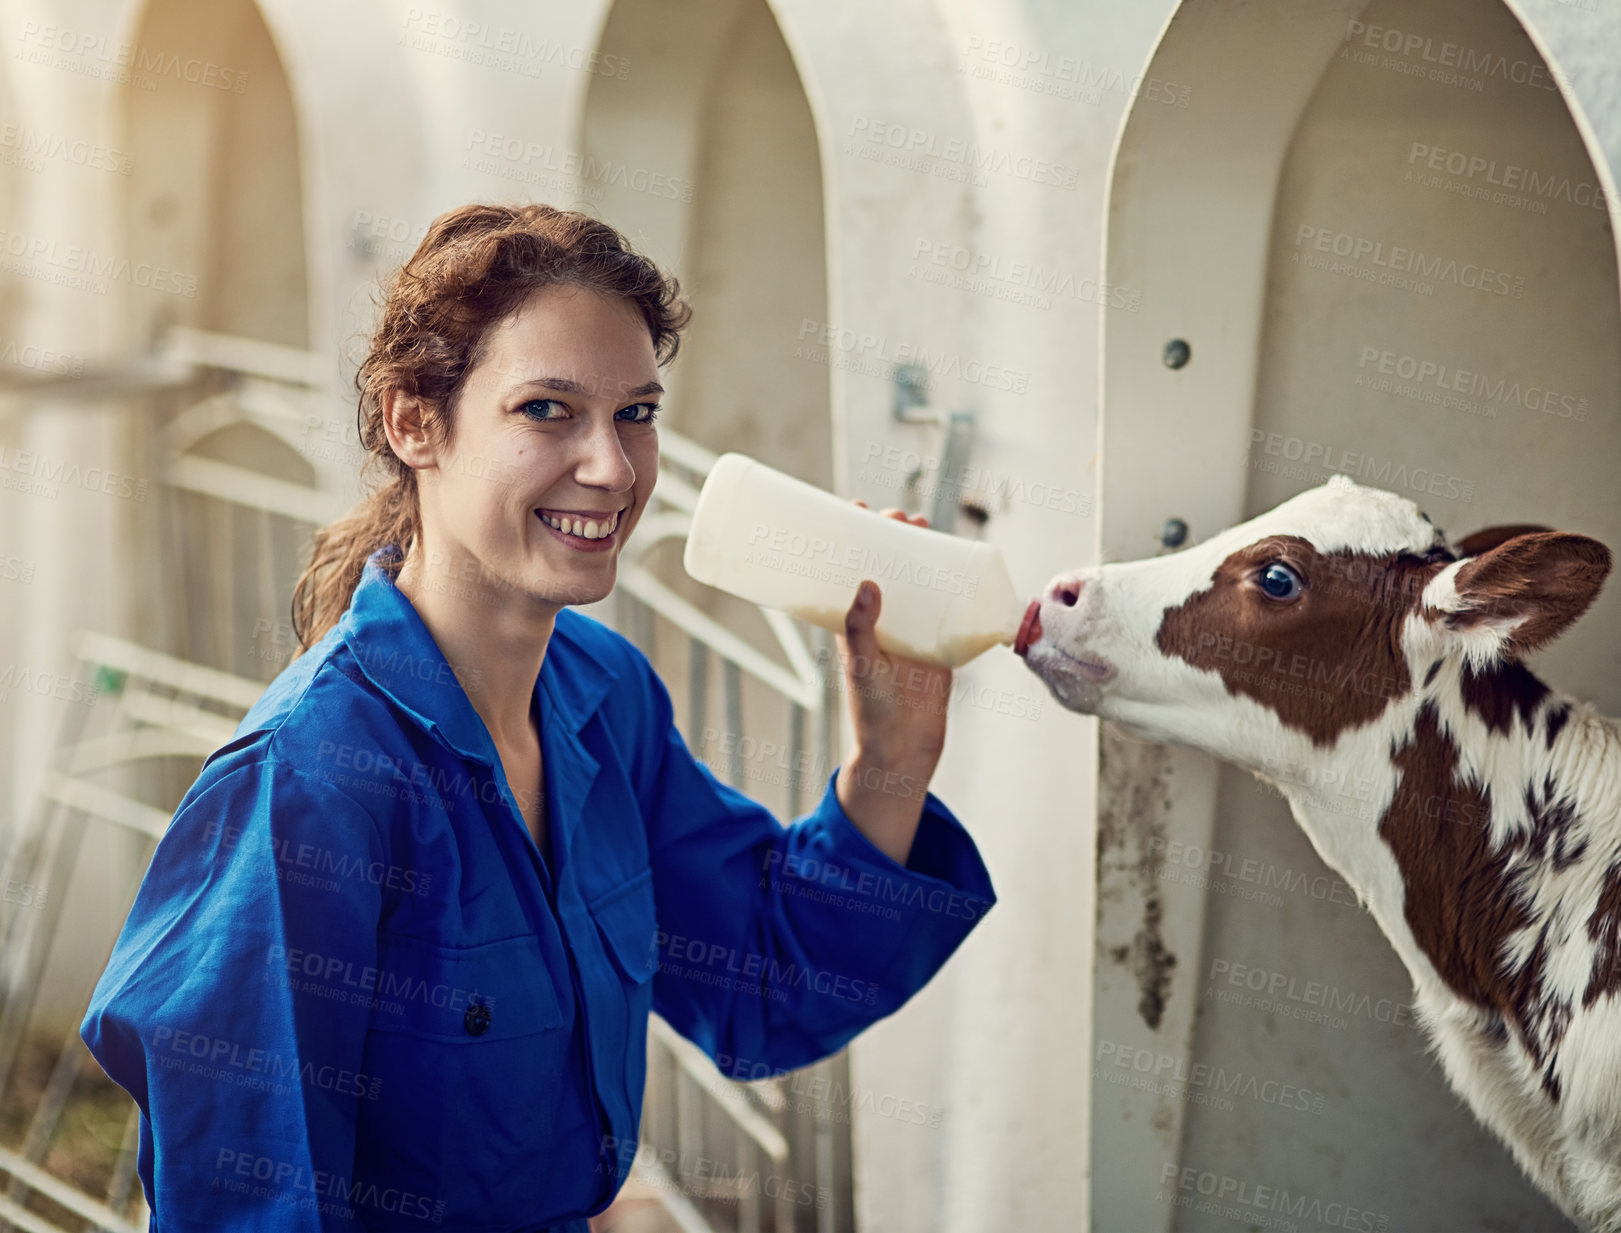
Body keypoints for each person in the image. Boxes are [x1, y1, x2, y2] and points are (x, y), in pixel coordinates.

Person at [81, 203, 996, 1232]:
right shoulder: (305, 787)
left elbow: (764, 984)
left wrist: (891, 760)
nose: (612, 467)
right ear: (413, 422)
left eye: (636, 413)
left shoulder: (603, 697)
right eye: (547, 410)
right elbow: (253, 1206)